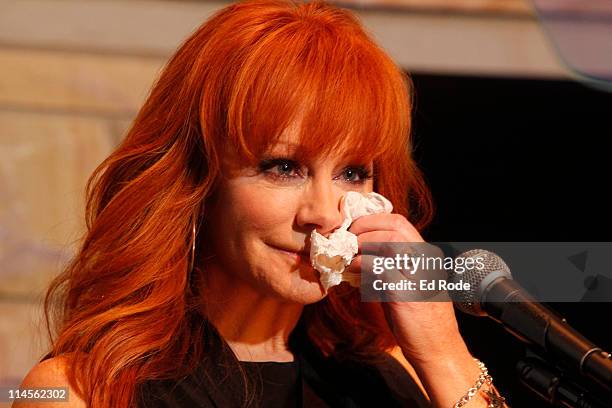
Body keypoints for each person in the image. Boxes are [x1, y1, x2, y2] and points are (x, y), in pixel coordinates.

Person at [16, 0, 507, 407]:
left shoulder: (397, 372)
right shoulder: (73, 390)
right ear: (198, 181)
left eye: (352, 173)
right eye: (284, 167)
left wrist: (444, 352)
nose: (325, 211)